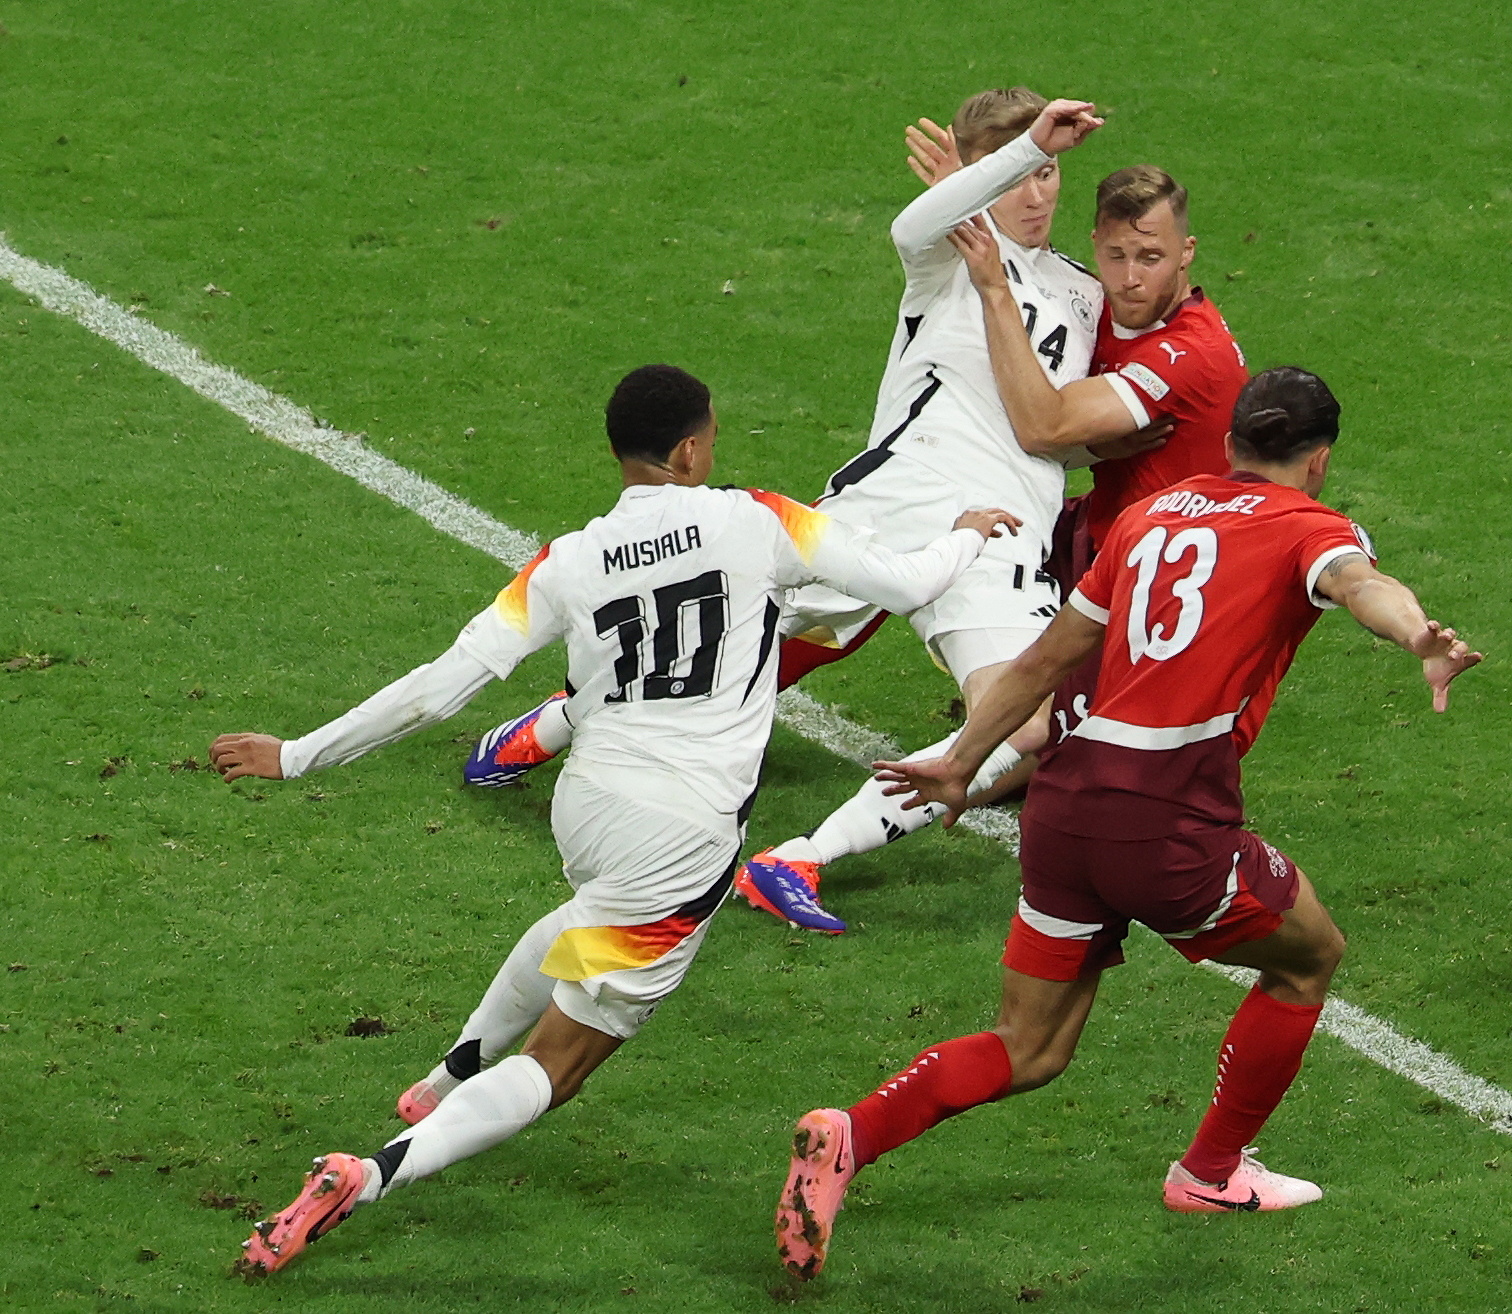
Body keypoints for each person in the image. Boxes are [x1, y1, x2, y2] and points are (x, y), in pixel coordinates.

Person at [208, 364, 1017, 1277]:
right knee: (563, 1063)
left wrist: (299, 752)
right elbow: (907, 584)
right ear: (687, 450)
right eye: (709, 440)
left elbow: (445, 686)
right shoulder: (755, 517)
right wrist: (964, 536)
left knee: (582, 926)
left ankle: (443, 1079)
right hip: (683, 831)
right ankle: (369, 1175)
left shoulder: (569, 557)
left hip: (587, 804)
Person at [771, 367, 1482, 1280]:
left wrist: (959, 762)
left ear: (1227, 446)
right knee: (1310, 958)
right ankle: (1210, 1174)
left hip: (1062, 810)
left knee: (1029, 1046)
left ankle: (850, 1133)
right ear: (1319, 461)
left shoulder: (1155, 515)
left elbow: (1040, 662)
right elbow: (1357, 584)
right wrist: (1417, 633)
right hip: (1165, 820)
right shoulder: (1313, 528)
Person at [463, 92, 1139, 938]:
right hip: (894, 507)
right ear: (976, 175)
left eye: (1049, 171)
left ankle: (801, 858)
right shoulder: (947, 248)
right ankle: (555, 723)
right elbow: (914, 225)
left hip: (995, 540)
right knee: (728, 632)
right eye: (1019, 172)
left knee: (1025, 720)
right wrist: (994, 170)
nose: (1039, 191)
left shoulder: (1080, 293)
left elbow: (1077, 416)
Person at [741, 163, 1254, 930]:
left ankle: (796, 848)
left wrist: (995, 270)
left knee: (1036, 729)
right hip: (1080, 552)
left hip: (1146, 569)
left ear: (1188, 253)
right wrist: (983, 200)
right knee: (1028, 721)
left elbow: (1046, 426)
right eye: (1115, 255)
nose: (1127, 277)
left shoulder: (1189, 351)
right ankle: (785, 845)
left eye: (1148, 258)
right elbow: (1052, 422)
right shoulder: (1099, 304)